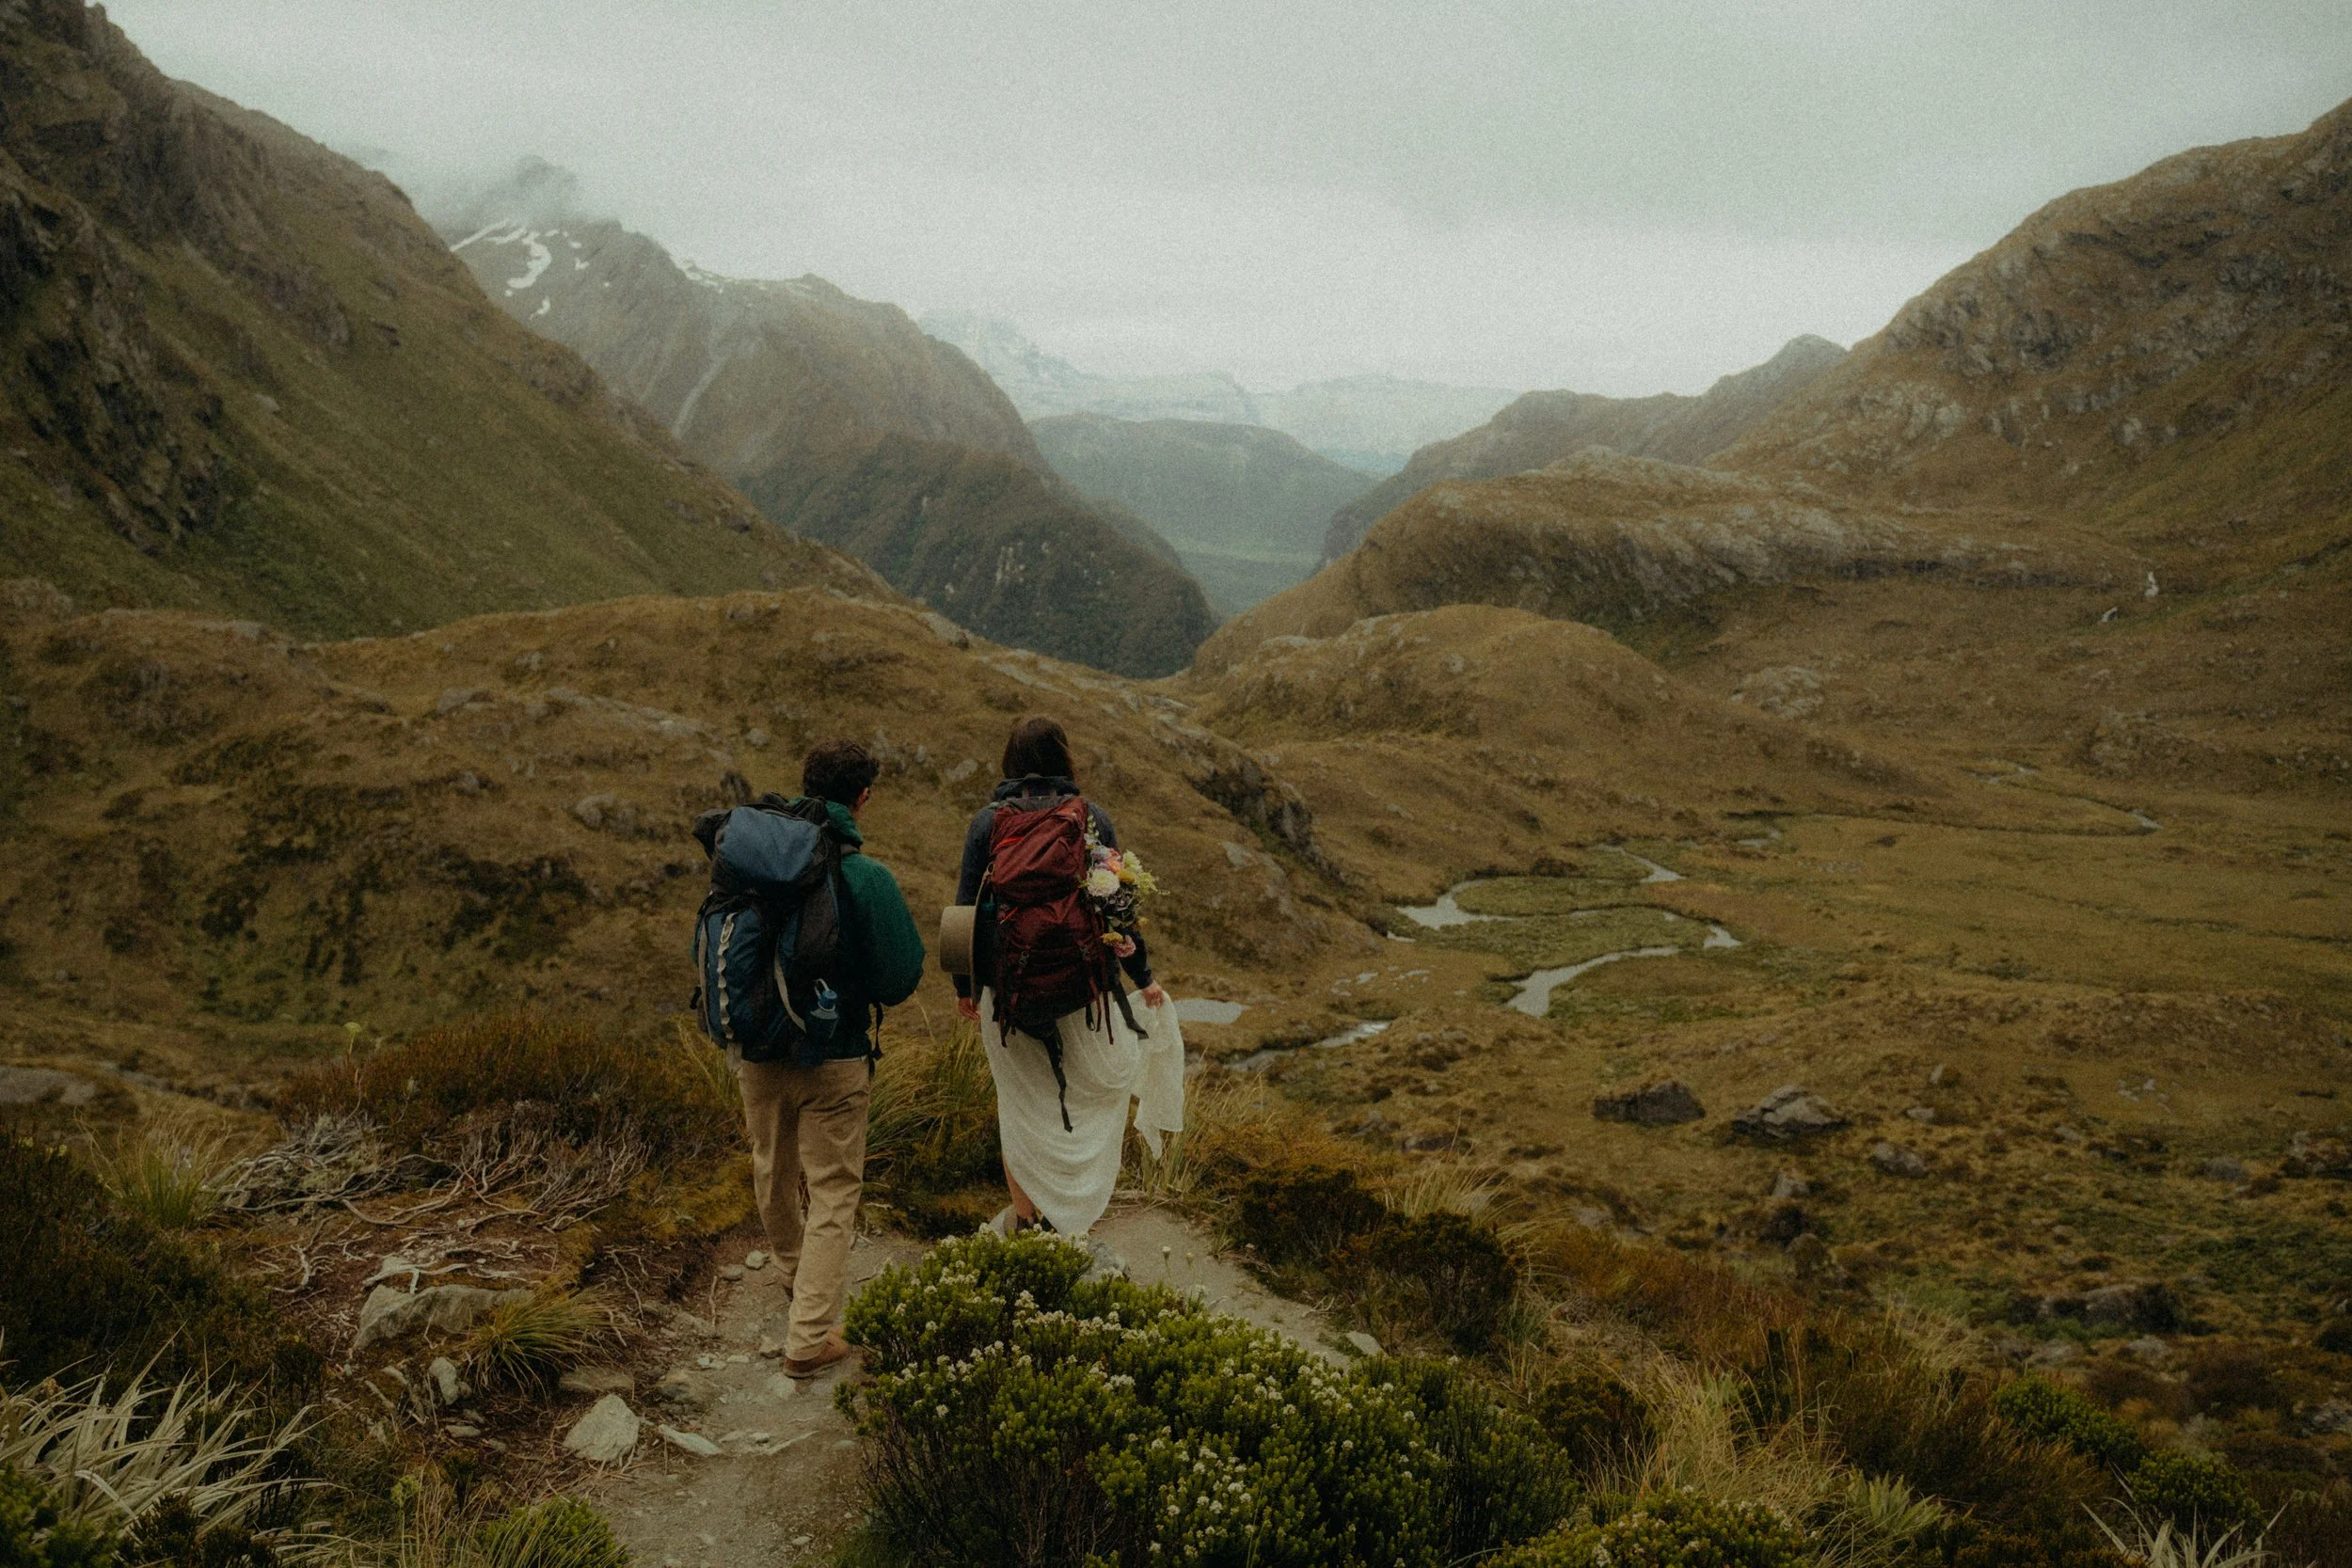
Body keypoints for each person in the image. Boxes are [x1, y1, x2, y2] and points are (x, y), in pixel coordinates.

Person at [954, 716, 1182, 1241]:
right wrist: (1142, 977)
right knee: (1083, 1097)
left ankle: (1027, 1220)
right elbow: (1119, 908)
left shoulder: (988, 823)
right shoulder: (1091, 819)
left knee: (1019, 1105)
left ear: (1011, 762)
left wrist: (965, 989)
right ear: (1064, 759)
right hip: (1086, 994)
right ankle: (1073, 1214)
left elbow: (965, 910)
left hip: (1008, 994)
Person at [738, 738, 924, 1378]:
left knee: (773, 1173)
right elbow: (901, 977)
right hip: (836, 1054)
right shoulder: (864, 875)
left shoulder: (752, 862)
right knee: (834, 1187)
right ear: (862, 797)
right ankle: (810, 1336)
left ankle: (800, 1286)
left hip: (757, 1050)